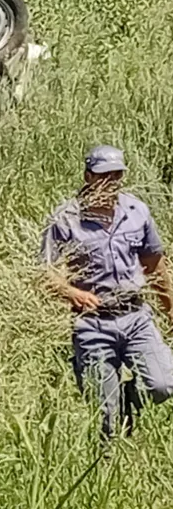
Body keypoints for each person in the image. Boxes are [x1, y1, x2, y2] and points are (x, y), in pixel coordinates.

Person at [39, 144, 173, 440]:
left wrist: (170, 309)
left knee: (163, 384)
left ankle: (130, 401)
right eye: (103, 175)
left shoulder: (136, 211)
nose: (110, 182)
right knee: (105, 416)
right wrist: (71, 293)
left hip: (136, 316)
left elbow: (154, 264)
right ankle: (109, 463)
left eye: (116, 175)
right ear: (88, 176)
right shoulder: (65, 218)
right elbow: (44, 272)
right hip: (93, 323)